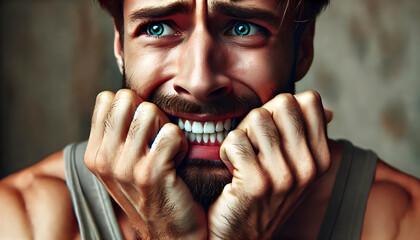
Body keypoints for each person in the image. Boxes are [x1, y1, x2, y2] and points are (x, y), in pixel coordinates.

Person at [1, 0, 419, 239]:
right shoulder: (20, 221)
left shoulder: (404, 222)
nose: (199, 81)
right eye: (160, 27)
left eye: (241, 27)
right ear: (119, 44)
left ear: (303, 47)